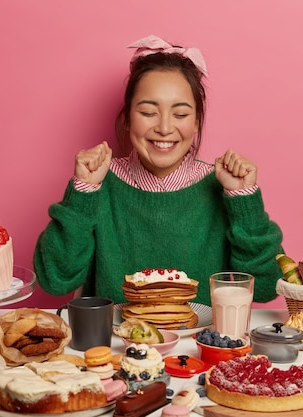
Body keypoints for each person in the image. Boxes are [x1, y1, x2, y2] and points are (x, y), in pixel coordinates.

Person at [34, 35, 283, 306]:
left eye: (180, 114)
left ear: (197, 122)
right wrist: (82, 193)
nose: (165, 128)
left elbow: (268, 286)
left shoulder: (223, 187)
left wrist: (243, 201)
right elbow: (55, 279)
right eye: (149, 112)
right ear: (128, 118)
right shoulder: (99, 183)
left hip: (203, 346)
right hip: (116, 346)